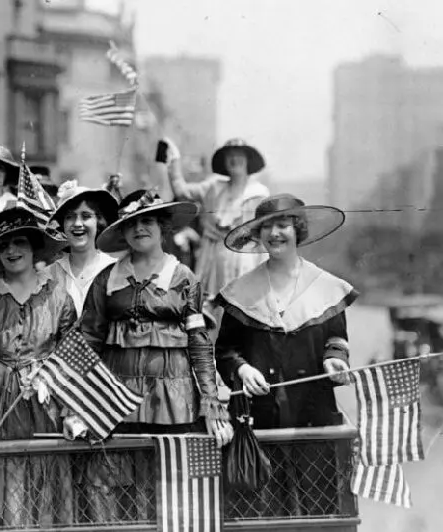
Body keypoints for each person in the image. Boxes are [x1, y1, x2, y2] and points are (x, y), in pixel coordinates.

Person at [80, 189, 233, 521]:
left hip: (173, 399)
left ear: (163, 226)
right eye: (131, 223)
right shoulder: (106, 280)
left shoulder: (184, 278)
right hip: (115, 399)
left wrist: (212, 403)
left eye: (147, 221)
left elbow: (200, 344)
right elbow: (88, 341)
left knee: (168, 487)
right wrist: (78, 405)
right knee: (111, 483)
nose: (139, 229)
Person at [214, 194, 353, 516]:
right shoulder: (241, 291)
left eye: (283, 225)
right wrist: (243, 370)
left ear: (298, 229)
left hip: (313, 416)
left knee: (318, 506)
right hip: (260, 421)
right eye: (267, 227)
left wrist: (335, 358)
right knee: (262, 511)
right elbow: (225, 351)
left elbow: (337, 337)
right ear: (258, 235)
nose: (275, 233)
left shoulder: (326, 287)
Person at [0, 207, 75, 528]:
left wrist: (70, 412)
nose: (11, 250)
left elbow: (71, 358)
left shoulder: (58, 297)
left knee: (46, 485)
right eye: (3, 245)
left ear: (34, 246)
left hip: (44, 406)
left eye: (18, 241)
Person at [164, 138, 270, 327]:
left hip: (245, 262)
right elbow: (182, 190)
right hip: (213, 259)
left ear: (248, 161)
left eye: (239, 156)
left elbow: (263, 237)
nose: (234, 160)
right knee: (210, 315)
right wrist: (174, 160)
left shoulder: (259, 194)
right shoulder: (214, 187)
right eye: (229, 156)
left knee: (242, 315)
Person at [47, 180, 118, 316]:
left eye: (86, 216)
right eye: (70, 217)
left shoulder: (115, 269)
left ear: (98, 222)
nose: (78, 223)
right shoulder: (48, 275)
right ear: (62, 225)